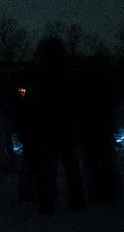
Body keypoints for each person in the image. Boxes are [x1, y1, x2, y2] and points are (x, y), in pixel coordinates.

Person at [23, 37, 85, 213]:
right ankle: (77, 202)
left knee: (48, 170)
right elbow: (78, 101)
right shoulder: (69, 74)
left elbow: (31, 103)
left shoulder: (39, 74)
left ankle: (48, 205)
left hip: (47, 131)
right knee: (72, 169)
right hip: (65, 129)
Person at [76, 56, 121, 204]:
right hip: (102, 129)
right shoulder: (106, 86)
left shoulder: (82, 86)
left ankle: (97, 192)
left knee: (93, 162)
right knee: (105, 160)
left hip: (90, 131)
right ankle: (110, 191)